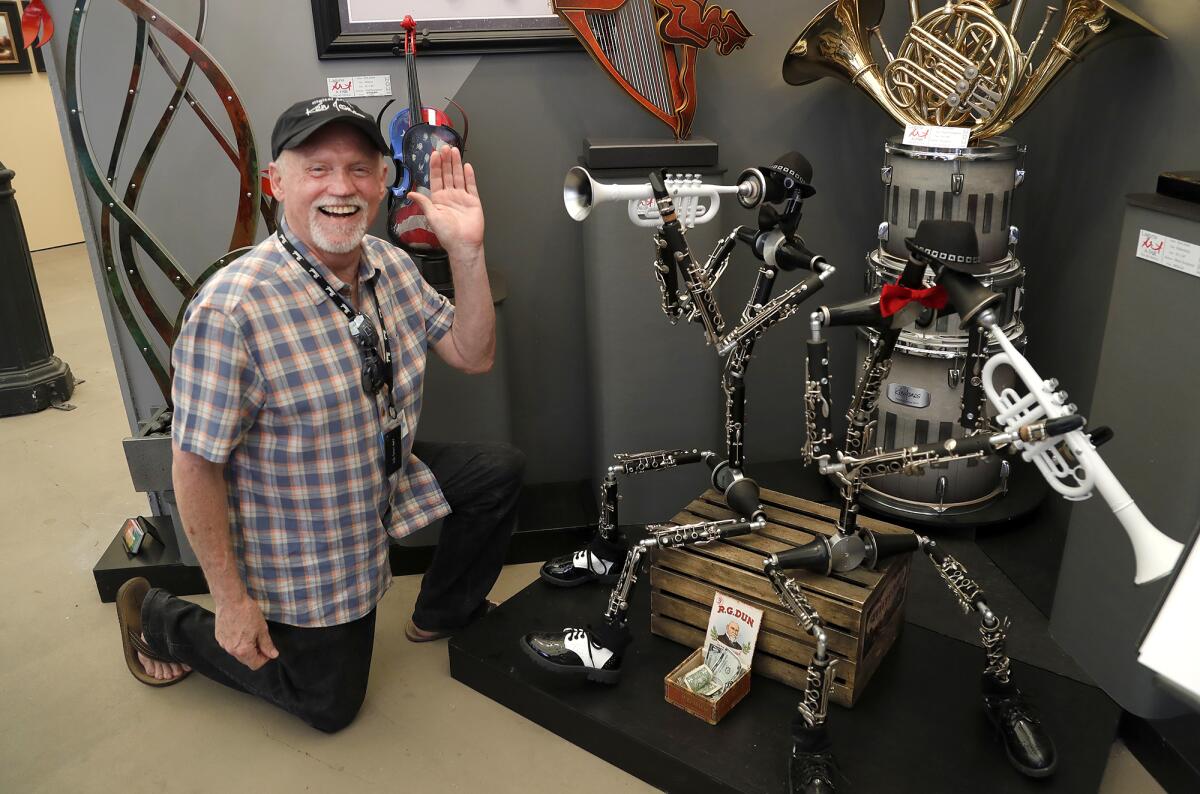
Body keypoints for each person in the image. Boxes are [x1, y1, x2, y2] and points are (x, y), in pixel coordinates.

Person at [114, 97, 524, 733]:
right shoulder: (232, 312)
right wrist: (229, 602)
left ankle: (441, 611)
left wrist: (467, 253)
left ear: (385, 183)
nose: (342, 188)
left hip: (381, 479)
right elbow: (193, 465)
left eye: (360, 169)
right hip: (306, 538)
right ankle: (159, 620)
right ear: (277, 184)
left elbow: (472, 353)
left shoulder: (390, 264)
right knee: (328, 705)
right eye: (317, 169)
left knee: (495, 473)